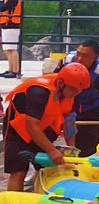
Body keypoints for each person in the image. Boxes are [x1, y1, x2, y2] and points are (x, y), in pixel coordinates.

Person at [3, 62, 91, 190]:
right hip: (18, 128)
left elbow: (69, 121)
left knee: (46, 166)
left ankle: (38, 194)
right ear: (61, 83)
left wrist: (71, 148)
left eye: (79, 91)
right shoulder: (39, 92)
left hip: (45, 126)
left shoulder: (74, 93)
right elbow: (32, 126)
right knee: (19, 170)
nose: (75, 93)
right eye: (72, 89)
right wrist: (52, 150)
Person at [65, 40, 99, 157]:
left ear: (95, 57)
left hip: (91, 108)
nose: (79, 59)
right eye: (78, 54)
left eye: (85, 56)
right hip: (70, 107)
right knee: (69, 143)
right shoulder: (68, 62)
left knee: (88, 145)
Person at [0, 0, 24, 77]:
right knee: (7, 49)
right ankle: (10, 69)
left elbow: (3, 8)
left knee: (12, 49)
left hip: (12, 25)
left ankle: (15, 71)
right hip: (7, 25)